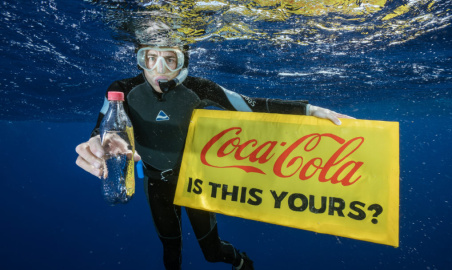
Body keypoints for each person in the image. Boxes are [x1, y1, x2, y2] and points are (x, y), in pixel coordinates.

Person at [75, 35, 353, 270]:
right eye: (150, 58)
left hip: (195, 181)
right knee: (171, 255)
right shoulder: (121, 90)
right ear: (140, 59)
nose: (159, 69)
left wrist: (310, 109)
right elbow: (103, 128)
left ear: (183, 61)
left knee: (211, 252)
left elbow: (252, 105)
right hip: (155, 182)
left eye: (170, 59)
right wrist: (96, 143)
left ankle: (240, 261)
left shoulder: (199, 88)